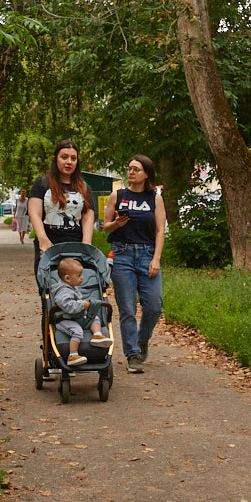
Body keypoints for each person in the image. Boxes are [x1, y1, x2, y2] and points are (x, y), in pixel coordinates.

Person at [102, 154, 165, 373]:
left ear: (146, 173)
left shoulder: (154, 198)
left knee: (154, 306)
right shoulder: (117, 195)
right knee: (128, 308)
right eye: (129, 168)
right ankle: (132, 355)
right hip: (122, 255)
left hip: (148, 255)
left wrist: (156, 258)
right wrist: (116, 224)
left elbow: (159, 230)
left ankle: (142, 339)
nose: (131, 172)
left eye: (136, 169)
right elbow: (105, 227)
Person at [28, 139, 94, 277]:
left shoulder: (84, 187)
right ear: (55, 159)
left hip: (76, 249)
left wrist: (86, 244)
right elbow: (34, 214)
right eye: (64, 157)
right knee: (49, 292)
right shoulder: (42, 184)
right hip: (49, 247)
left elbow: (87, 217)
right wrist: (43, 240)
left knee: (78, 290)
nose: (69, 162)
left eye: (73, 158)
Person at [50, 257, 113, 366]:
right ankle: (73, 355)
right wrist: (82, 304)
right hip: (64, 320)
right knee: (77, 331)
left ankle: (97, 335)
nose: (82, 278)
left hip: (75, 317)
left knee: (93, 317)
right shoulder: (63, 291)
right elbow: (67, 306)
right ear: (68, 278)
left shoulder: (71, 287)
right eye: (79, 276)